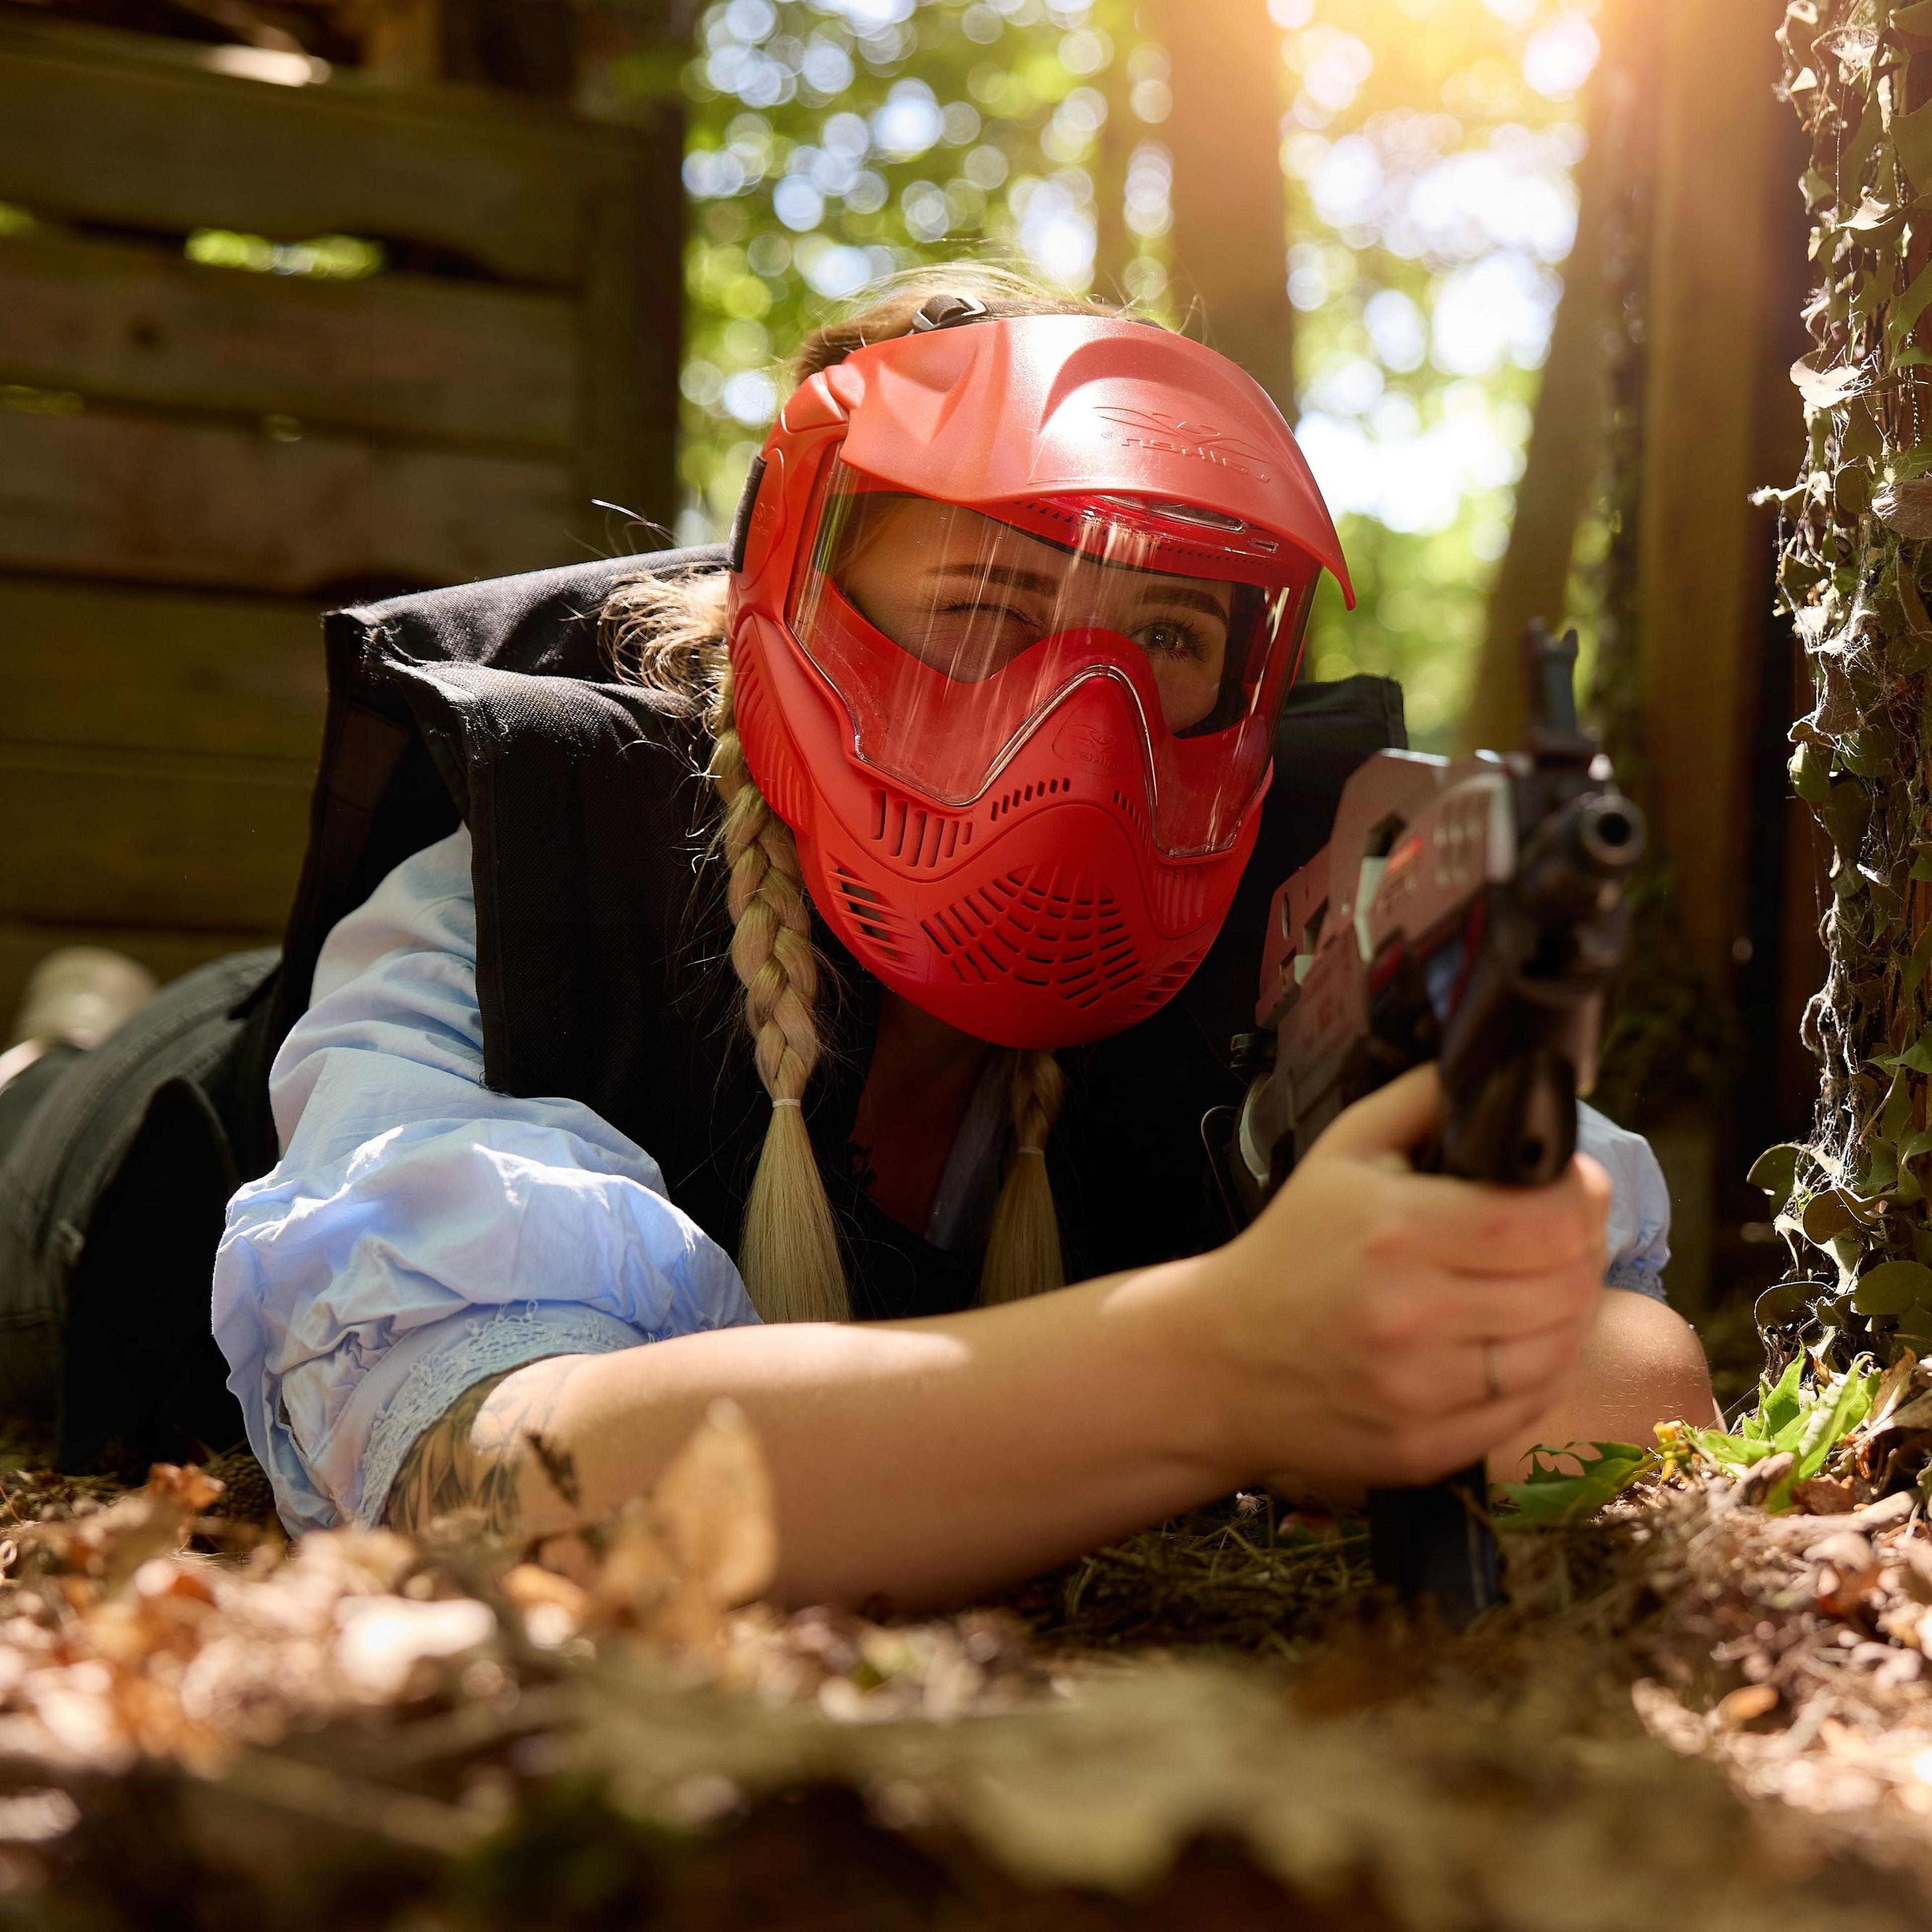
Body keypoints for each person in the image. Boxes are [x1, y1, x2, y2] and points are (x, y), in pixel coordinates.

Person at [5, 268, 1716, 1609]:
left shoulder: (1299, 915)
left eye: (1172, 639)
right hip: (143, 1151)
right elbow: (508, 1494)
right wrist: (1230, 1368)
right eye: (986, 607)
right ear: (794, 621)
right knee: (67, 1078)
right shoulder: (544, 865)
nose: (1088, 725)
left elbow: (1629, 1377)